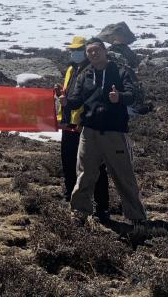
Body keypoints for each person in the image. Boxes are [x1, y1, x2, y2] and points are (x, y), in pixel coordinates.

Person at [66, 38, 147, 225]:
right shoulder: (85, 74)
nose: (93, 54)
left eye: (96, 50)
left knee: (123, 175)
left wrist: (119, 97)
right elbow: (76, 100)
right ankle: (79, 213)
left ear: (105, 51)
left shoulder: (120, 71)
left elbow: (132, 96)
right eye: (90, 52)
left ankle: (136, 217)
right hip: (90, 132)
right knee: (85, 173)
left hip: (114, 132)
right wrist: (66, 102)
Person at [55, 35, 110, 221]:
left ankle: (102, 206)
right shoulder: (72, 69)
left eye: (79, 50)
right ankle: (71, 196)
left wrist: (82, 121)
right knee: (69, 162)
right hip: (68, 124)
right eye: (73, 50)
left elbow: (91, 100)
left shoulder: (91, 71)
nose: (75, 53)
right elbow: (70, 97)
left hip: (84, 126)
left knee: (94, 166)